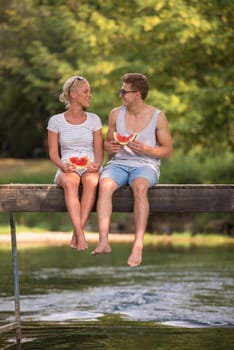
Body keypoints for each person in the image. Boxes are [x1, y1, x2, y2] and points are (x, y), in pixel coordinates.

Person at [91, 73, 173, 267]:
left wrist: (146, 149)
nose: (120, 95)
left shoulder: (157, 116)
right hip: (119, 164)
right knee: (104, 185)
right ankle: (103, 240)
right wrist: (108, 147)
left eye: (124, 91)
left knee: (140, 188)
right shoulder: (115, 114)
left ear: (137, 94)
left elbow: (167, 150)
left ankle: (138, 245)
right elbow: (108, 142)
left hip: (146, 165)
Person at [47, 75, 103, 250]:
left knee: (92, 181)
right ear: (73, 94)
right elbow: (53, 153)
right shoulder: (56, 121)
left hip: (89, 166)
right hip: (66, 167)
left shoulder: (94, 119)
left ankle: (76, 234)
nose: (90, 95)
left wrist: (97, 164)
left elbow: (99, 151)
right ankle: (81, 235)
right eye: (86, 91)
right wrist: (63, 166)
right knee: (71, 182)